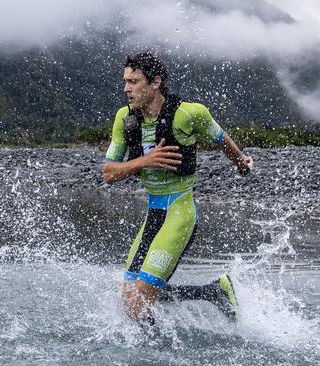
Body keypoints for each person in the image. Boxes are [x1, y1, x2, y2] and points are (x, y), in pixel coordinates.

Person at [102, 52, 253, 325]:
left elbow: (221, 139)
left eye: (134, 81)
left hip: (179, 214)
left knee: (138, 302)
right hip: (153, 215)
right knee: (128, 300)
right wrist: (145, 161)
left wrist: (241, 162)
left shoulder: (189, 114)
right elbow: (109, 173)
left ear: (155, 82)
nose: (126, 89)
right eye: (125, 81)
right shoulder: (124, 119)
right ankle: (213, 292)